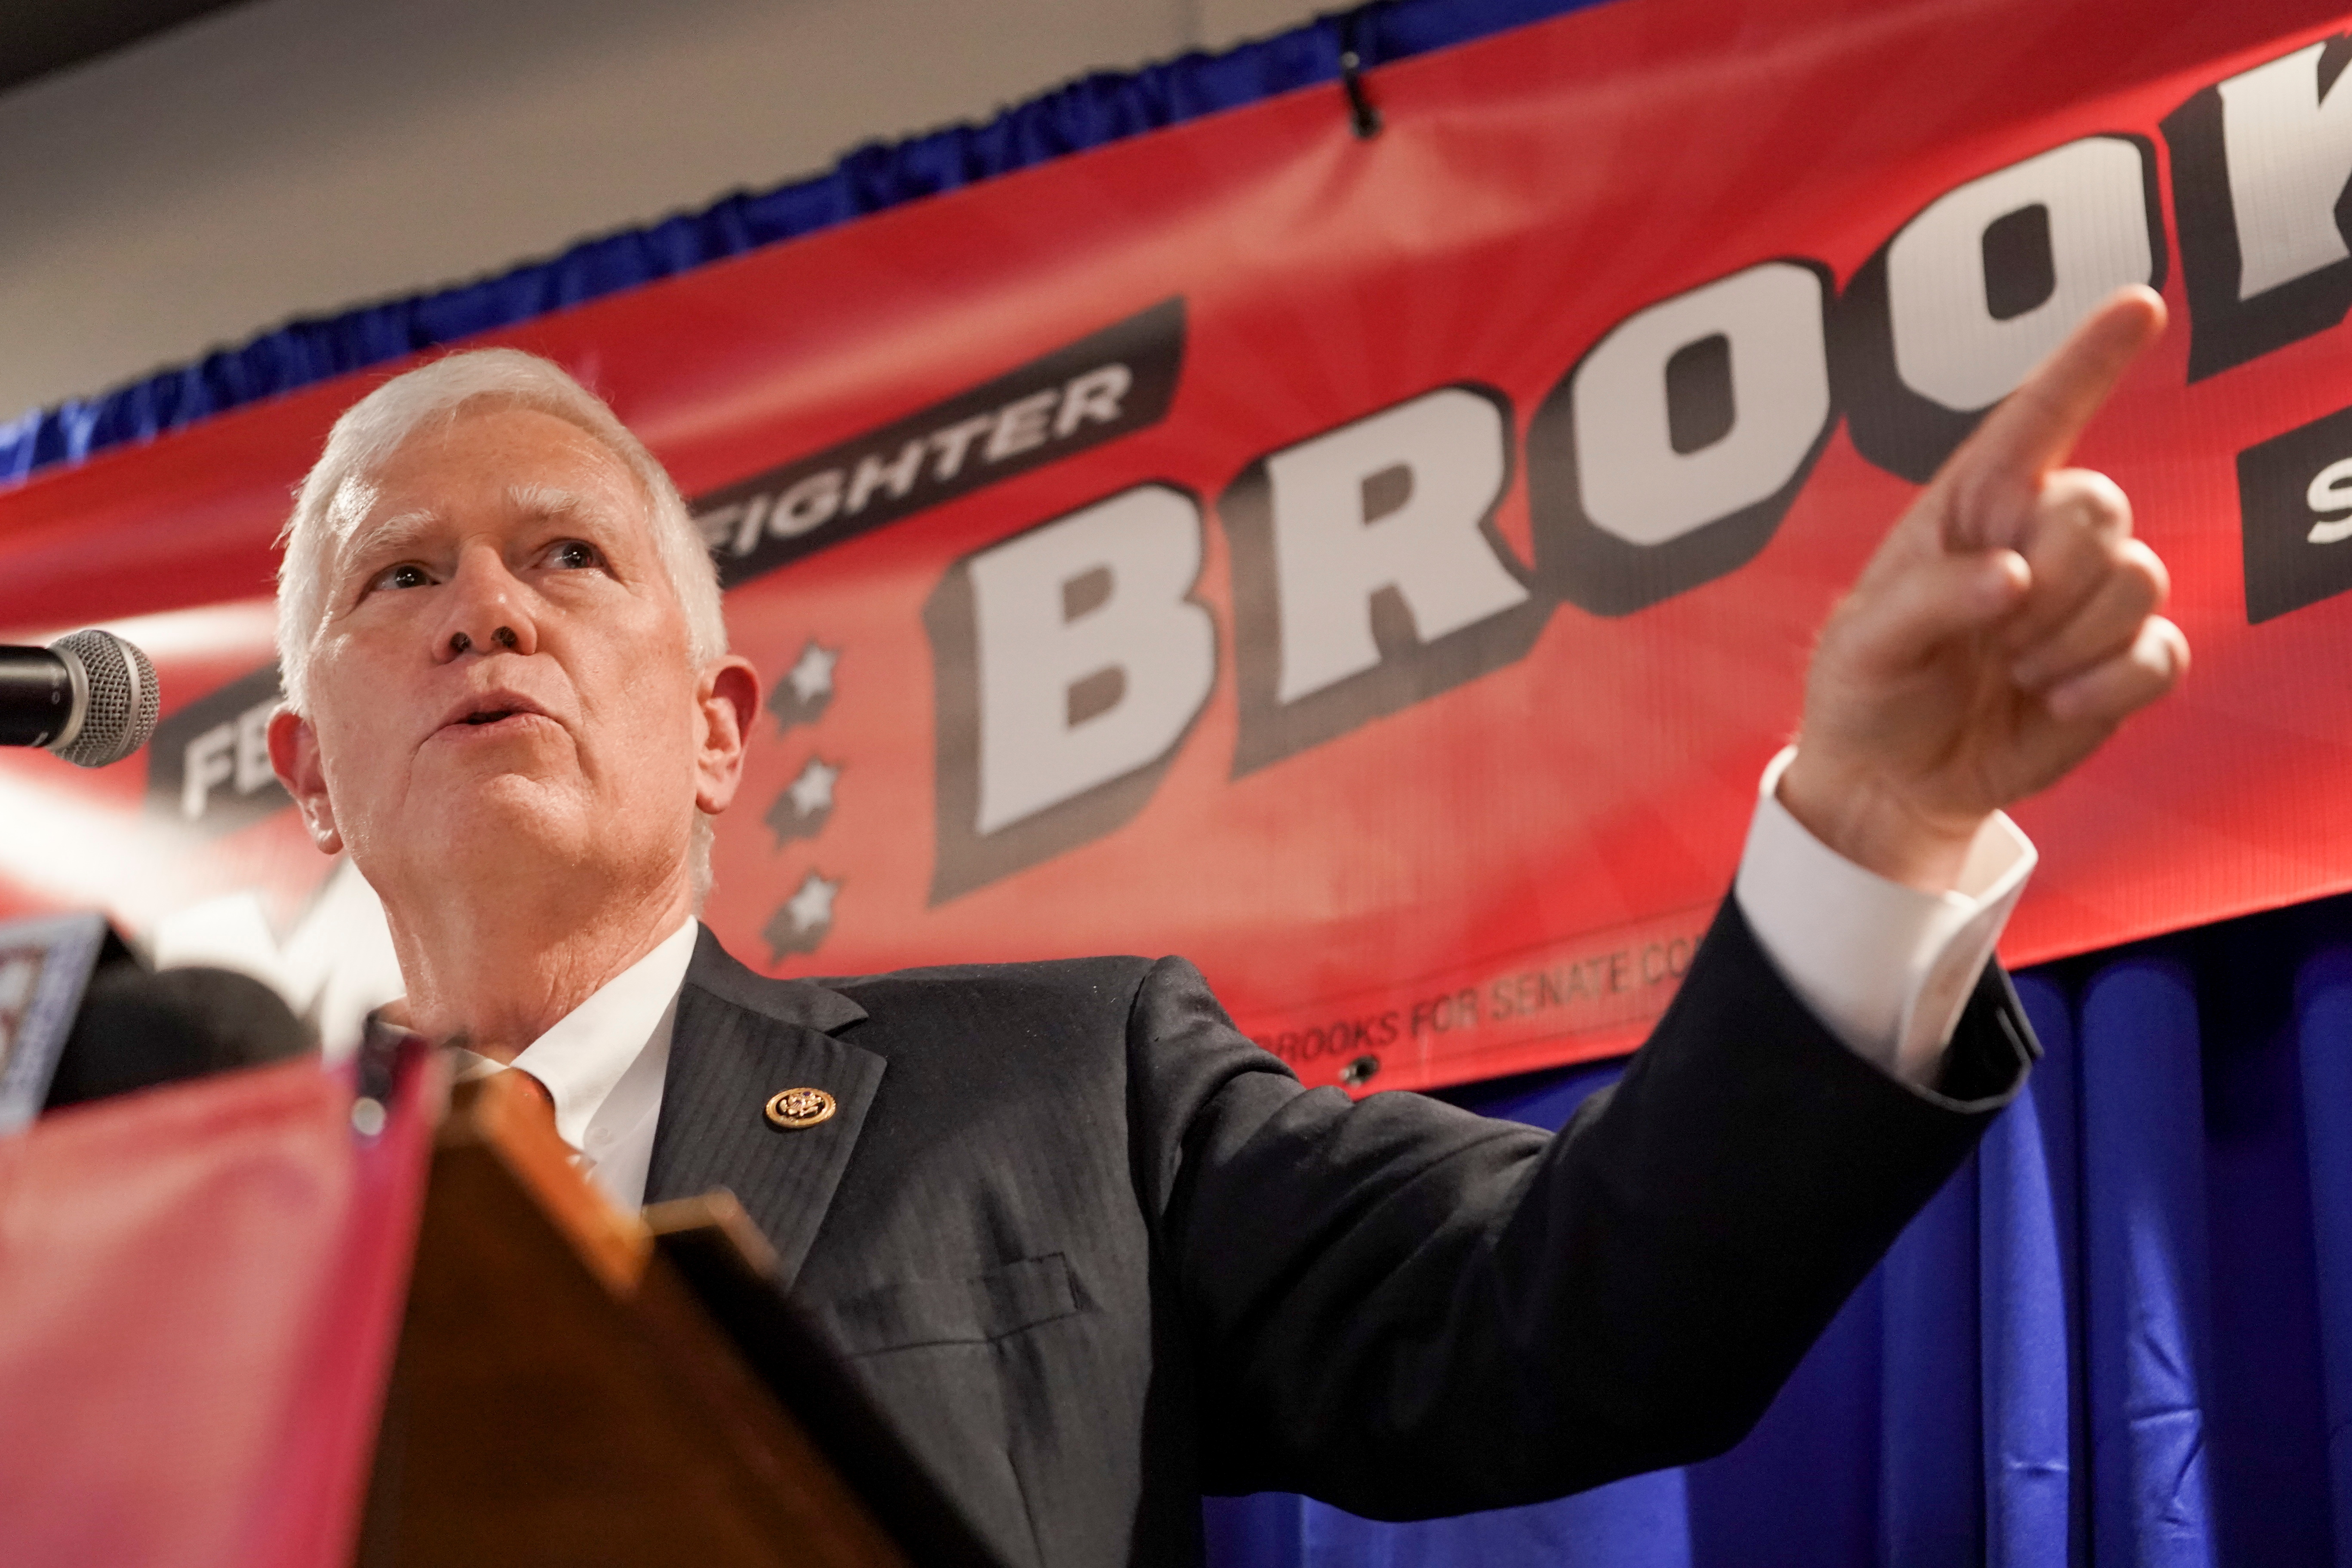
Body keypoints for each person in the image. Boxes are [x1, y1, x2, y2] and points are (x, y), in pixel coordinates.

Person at [266, 287, 2183, 1566]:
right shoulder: (199, 1265)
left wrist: (1877, 826)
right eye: (403, 576)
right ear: (306, 776)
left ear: (715, 732)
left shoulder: (1068, 1093)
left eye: (568, 557)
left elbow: (1574, 1312)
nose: (489, 613)